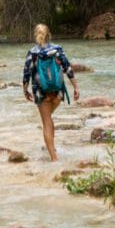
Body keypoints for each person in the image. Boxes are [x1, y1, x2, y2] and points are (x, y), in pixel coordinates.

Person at [22, 23, 79, 160]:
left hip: (41, 93)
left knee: (46, 122)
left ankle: (54, 158)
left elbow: (26, 74)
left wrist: (25, 90)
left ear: (36, 35)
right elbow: (68, 69)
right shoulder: (58, 50)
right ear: (49, 34)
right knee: (48, 119)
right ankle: (52, 147)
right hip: (58, 92)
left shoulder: (33, 53)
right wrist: (76, 87)